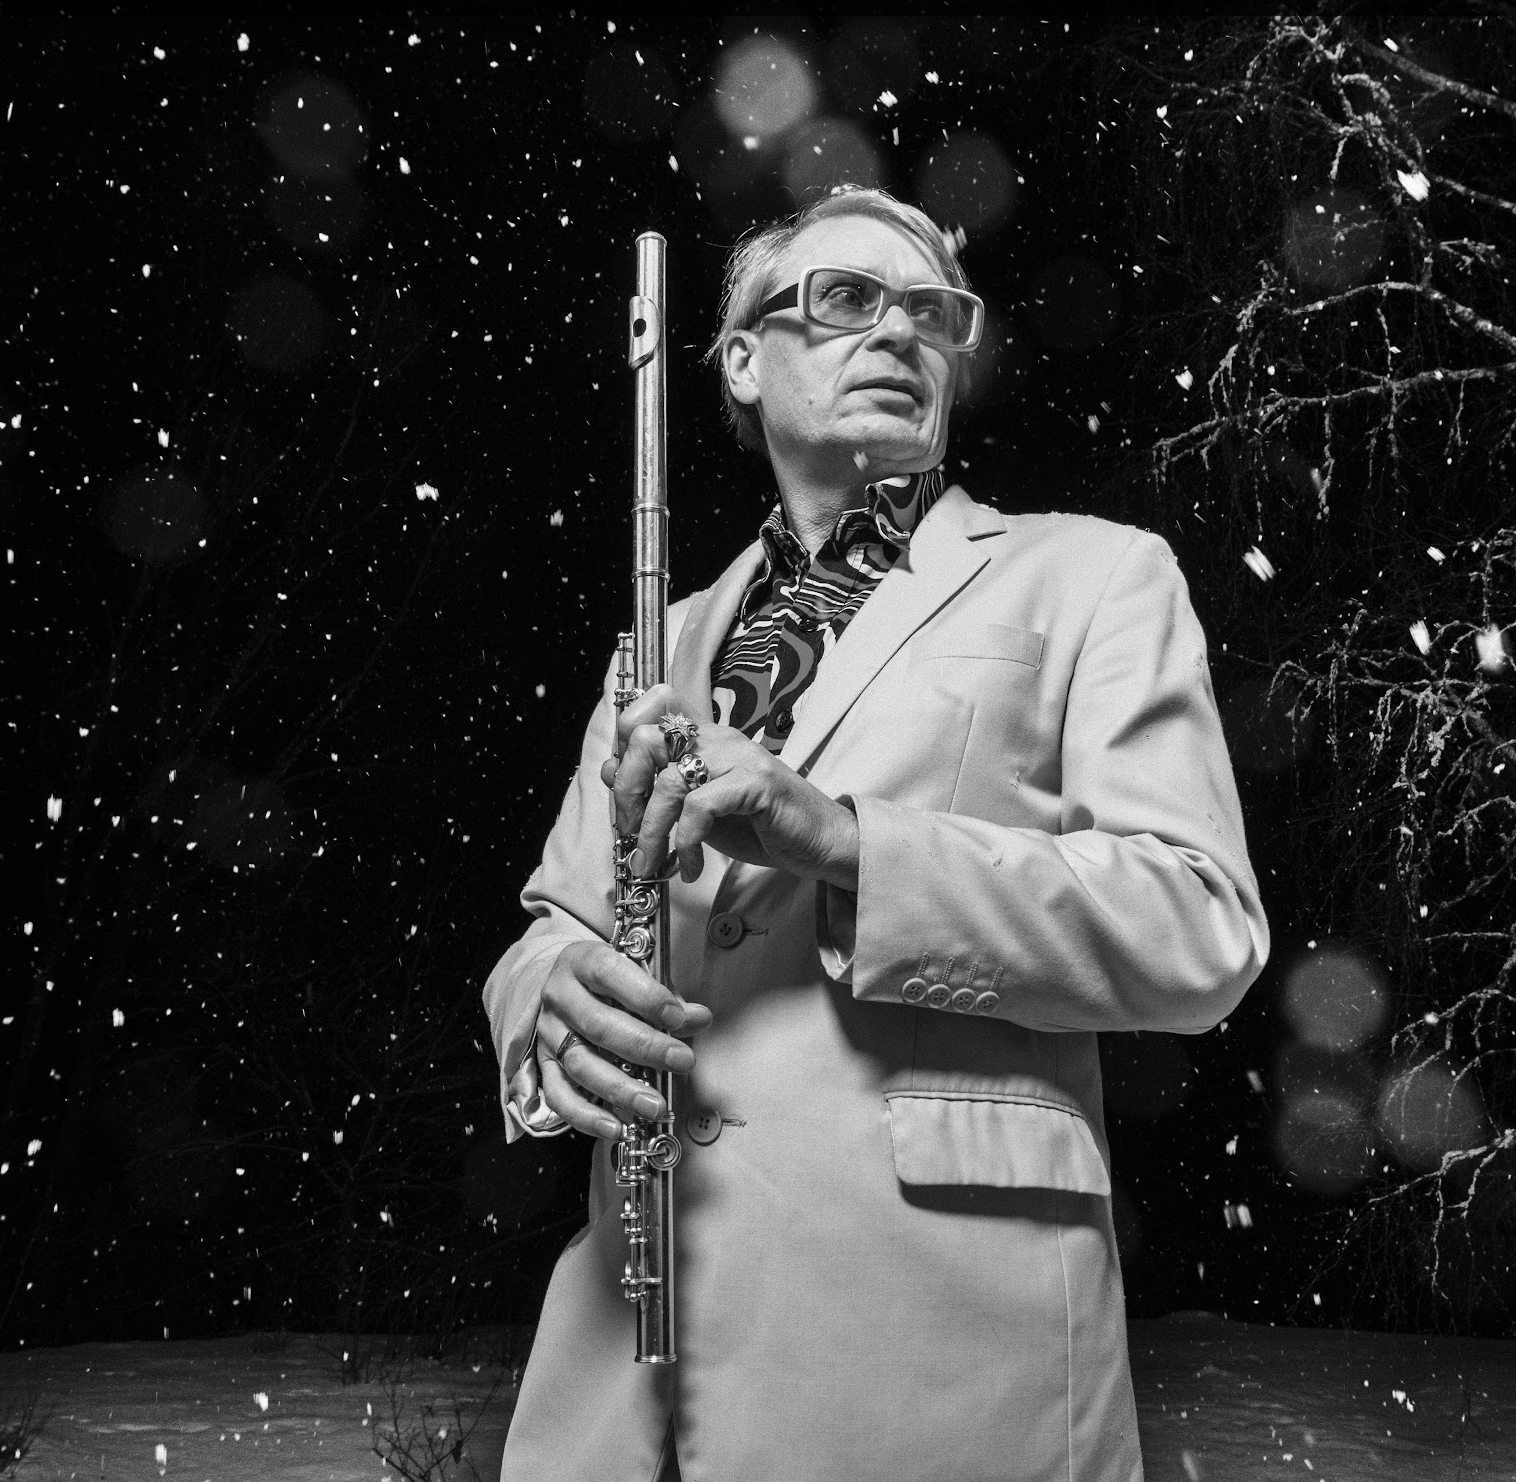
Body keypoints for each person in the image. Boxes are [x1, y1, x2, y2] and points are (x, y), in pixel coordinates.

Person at [482, 185, 1267, 1482]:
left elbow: (1198, 925)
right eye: (847, 299)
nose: (901, 332)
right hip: (626, 1368)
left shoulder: (1093, 576)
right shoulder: (657, 643)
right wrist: (547, 1005)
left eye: (934, 312)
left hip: (946, 1354)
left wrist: (847, 842)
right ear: (744, 357)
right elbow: (555, 928)